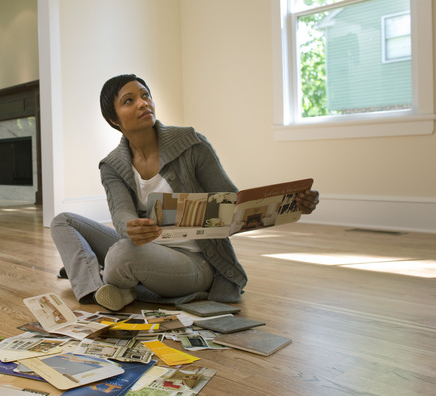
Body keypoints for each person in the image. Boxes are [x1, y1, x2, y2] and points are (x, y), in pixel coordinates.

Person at [51, 74, 319, 311]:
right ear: (113, 118)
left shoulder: (191, 143)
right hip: (145, 247)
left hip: (195, 262)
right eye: (129, 101)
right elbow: (121, 213)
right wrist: (129, 227)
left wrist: (294, 205)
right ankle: (95, 289)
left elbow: (232, 202)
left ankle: (112, 280)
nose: (143, 103)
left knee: (122, 255)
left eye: (145, 95)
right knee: (63, 221)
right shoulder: (112, 165)